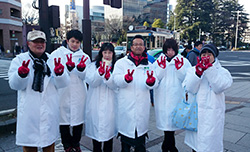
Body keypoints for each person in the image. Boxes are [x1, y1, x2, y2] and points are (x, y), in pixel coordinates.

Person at [8, 30, 70, 152]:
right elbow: (14, 85)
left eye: (42, 42)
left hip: (48, 111)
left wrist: (60, 73)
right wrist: (21, 74)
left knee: (49, 146)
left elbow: (63, 83)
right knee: (29, 147)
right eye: (36, 41)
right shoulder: (19, 60)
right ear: (28, 43)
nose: (39, 44)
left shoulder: (53, 60)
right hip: (30, 113)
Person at [183, 43, 233, 152]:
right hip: (196, 115)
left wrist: (209, 69)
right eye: (203, 53)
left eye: (209, 54)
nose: (206, 56)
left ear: (214, 56)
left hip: (212, 116)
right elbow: (189, 89)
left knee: (210, 146)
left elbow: (219, 87)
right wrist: (198, 73)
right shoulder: (192, 70)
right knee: (196, 146)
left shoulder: (223, 72)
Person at [112, 35, 158, 152]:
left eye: (140, 44)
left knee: (140, 142)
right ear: (131, 47)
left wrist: (151, 82)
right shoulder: (121, 63)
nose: (138, 46)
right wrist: (125, 79)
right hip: (126, 107)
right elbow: (115, 80)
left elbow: (155, 82)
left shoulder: (149, 64)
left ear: (144, 47)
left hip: (142, 107)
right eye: (135, 44)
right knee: (125, 143)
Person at [50, 29, 91, 152]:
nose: (74, 44)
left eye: (77, 42)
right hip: (63, 92)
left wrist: (81, 69)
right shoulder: (57, 54)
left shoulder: (85, 57)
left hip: (79, 92)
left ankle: (76, 143)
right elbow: (52, 73)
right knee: (63, 121)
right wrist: (63, 70)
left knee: (78, 120)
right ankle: (66, 144)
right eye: (72, 41)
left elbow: (87, 77)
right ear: (67, 41)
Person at [153, 38, 191, 152]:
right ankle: (170, 147)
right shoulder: (158, 61)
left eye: (172, 49)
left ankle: (167, 147)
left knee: (171, 126)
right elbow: (155, 79)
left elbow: (187, 79)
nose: (170, 52)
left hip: (176, 97)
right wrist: (161, 68)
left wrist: (179, 69)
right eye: (167, 49)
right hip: (162, 98)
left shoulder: (183, 61)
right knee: (167, 126)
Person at [85, 43, 117, 152]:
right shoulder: (93, 66)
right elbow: (91, 82)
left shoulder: (116, 66)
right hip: (95, 103)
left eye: (110, 52)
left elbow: (116, 86)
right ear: (101, 53)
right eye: (105, 52)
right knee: (96, 134)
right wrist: (99, 73)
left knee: (109, 135)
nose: (107, 55)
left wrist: (109, 78)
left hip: (110, 104)